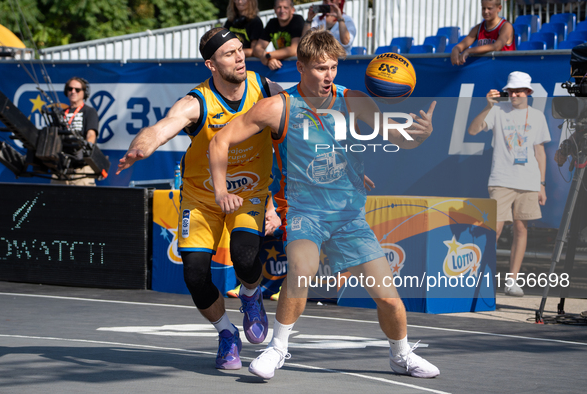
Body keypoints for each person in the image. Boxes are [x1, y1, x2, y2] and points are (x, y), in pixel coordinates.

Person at [209, 29, 439, 380]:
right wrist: (222, 189)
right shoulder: (278, 107)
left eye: (332, 67)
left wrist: (419, 136)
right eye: (319, 68)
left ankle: (401, 355)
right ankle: (277, 349)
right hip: (304, 212)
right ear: (300, 67)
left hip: (348, 216)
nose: (328, 75)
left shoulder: (354, 100)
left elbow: (394, 135)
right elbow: (221, 140)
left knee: (389, 298)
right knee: (302, 271)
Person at [116, 27, 282, 369]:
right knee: (194, 274)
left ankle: (251, 295)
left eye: (240, 50)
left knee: (244, 254)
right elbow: (162, 127)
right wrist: (141, 146)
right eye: (228, 54)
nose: (239, 58)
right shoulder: (197, 102)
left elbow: (299, 117)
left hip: (249, 190)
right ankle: (226, 333)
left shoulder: (264, 88)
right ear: (211, 64)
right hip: (202, 196)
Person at [468, 71, 550, 297]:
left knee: (521, 229)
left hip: (529, 181)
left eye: (518, 90)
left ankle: (512, 281)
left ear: (528, 92)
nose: (513, 94)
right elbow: (473, 130)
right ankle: (481, 277)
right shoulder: (497, 110)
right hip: (501, 179)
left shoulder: (537, 116)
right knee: (493, 229)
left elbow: (540, 152)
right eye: (510, 90)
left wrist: (542, 184)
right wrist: (487, 106)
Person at [51, 77, 99, 186]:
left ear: (84, 93)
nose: (73, 92)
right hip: (61, 163)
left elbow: (91, 134)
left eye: (77, 90)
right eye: (70, 89)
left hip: (81, 165)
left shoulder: (89, 111)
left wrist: (87, 148)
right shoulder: (61, 114)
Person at [451, 0, 515, 66]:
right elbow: (462, 45)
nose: (486, 11)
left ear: (499, 8)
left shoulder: (506, 26)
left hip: (504, 68)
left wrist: (469, 51)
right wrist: (455, 49)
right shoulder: (478, 28)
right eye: (483, 8)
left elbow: (497, 46)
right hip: (485, 69)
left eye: (489, 8)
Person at [254, 0, 305, 71]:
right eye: (279, 7)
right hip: (278, 65)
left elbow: (294, 49)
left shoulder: (297, 20)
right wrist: (269, 60)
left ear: (292, 10)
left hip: (297, 69)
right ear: (274, 9)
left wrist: (268, 56)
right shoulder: (272, 23)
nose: (282, 10)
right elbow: (257, 49)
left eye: (285, 7)